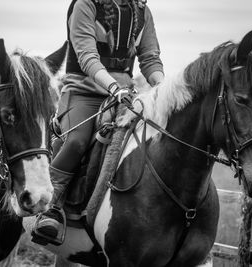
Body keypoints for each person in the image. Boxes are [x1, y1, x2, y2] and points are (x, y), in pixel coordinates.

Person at [32, 0, 164, 245]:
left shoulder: (143, 11)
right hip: (82, 93)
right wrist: (114, 87)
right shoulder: (84, 5)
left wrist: (164, 87)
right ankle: (50, 206)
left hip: (124, 96)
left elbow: (150, 58)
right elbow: (87, 57)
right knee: (77, 141)